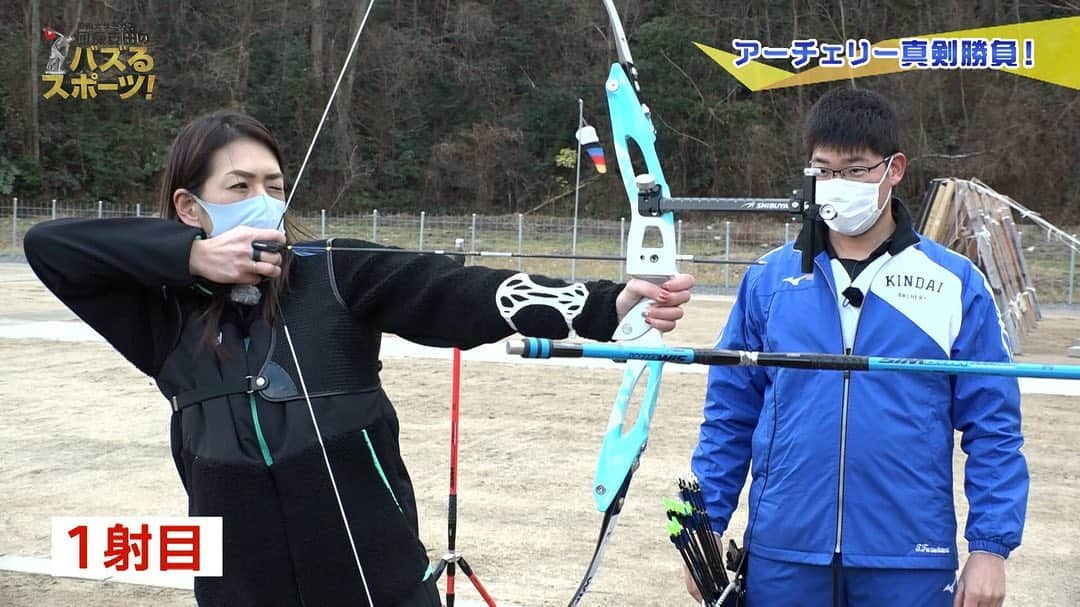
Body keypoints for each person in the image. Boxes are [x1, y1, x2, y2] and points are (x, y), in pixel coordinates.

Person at [25, 110, 695, 607]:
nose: (263, 198)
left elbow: (458, 292)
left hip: (382, 589)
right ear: (188, 205)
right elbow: (50, 246)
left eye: (273, 182)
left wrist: (607, 303)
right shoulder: (163, 318)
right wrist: (191, 257)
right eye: (238, 185)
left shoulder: (333, 269)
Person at [687, 88, 1027, 607]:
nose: (837, 185)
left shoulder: (956, 282)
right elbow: (730, 410)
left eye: (856, 169)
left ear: (895, 169)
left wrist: (990, 547)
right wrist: (706, 525)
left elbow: (994, 424)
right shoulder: (769, 280)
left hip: (908, 555)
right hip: (783, 550)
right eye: (823, 170)